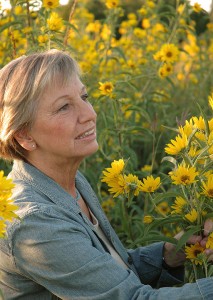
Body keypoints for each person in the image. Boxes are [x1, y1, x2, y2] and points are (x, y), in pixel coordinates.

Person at [0, 49, 212, 300]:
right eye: (64, 107)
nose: (90, 114)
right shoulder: (35, 224)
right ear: (24, 135)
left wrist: (170, 254)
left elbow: (107, 273)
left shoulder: (70, 182)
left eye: (84, 97)